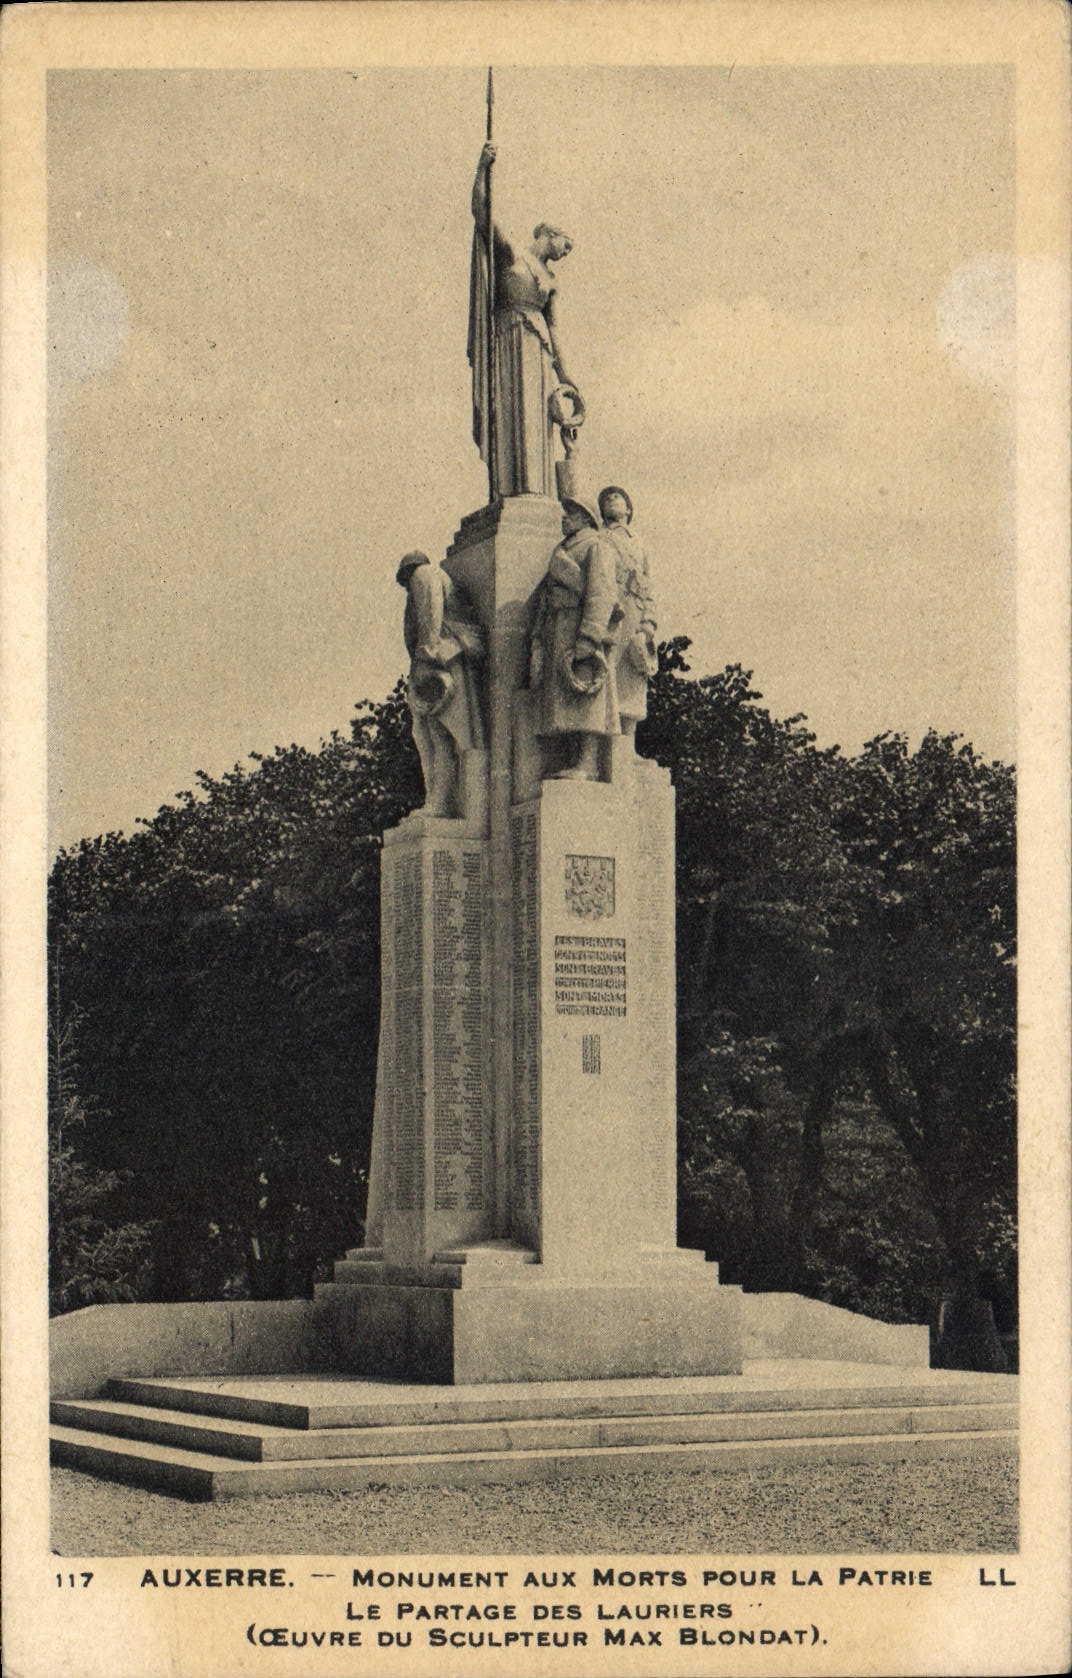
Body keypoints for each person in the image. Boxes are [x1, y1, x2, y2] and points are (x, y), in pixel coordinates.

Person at [469, 141, 581, 498]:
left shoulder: (550, 283)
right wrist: (482, 169)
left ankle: (534, 492)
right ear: (548, 234)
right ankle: (508, 492)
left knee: (535, 421)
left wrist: (567, 376)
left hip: (538, 353)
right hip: (506, 339)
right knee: (509, 416)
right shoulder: (513, 255)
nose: (564, 254)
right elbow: (481, 212)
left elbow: (557, 330)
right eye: (564, 245)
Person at [529, 496, 622, 780]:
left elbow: (601, 594)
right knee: (566, 701)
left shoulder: (596, 547)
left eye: (570, 514)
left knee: (587, 698)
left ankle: (588, 763)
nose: (564, 518)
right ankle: (575, 760)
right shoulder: (564, 548)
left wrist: (589, 637)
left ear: (585, 518)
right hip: (558, 628)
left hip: (579, 630)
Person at [396, 552, 486, 816]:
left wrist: (427, 655)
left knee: (440, 735)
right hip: (442, 659)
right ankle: (437, 801)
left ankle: (439, 803)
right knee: (433, 736)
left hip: (442, 660)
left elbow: (431, 611)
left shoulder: (423, 574)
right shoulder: (428, 576)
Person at [599, 485, 658, 744]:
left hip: (634, 610)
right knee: (606, 677)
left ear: (628, 509)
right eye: (607, 499)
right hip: (610, 611)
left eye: (618, 497)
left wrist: (648, 624)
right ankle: (605, 744)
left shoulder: (640, 543)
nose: (612, 499)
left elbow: (649, 585)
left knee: (632, 679)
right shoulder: (599, 537)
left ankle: (628, 745)